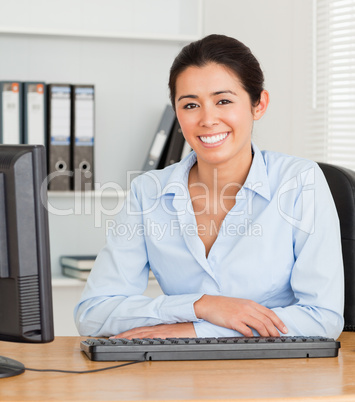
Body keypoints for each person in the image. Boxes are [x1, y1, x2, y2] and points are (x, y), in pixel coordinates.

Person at [74, 34, 344, 340]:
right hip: (182, 377)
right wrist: (202, 305)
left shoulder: (299, 181)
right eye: (190, 105)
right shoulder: (148, 191)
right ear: (176, 112)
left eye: (224, 101)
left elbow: (323, 319)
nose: (207, 119)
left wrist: (191, 330)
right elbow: (93, 314)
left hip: (277, 372)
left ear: (259, 105)